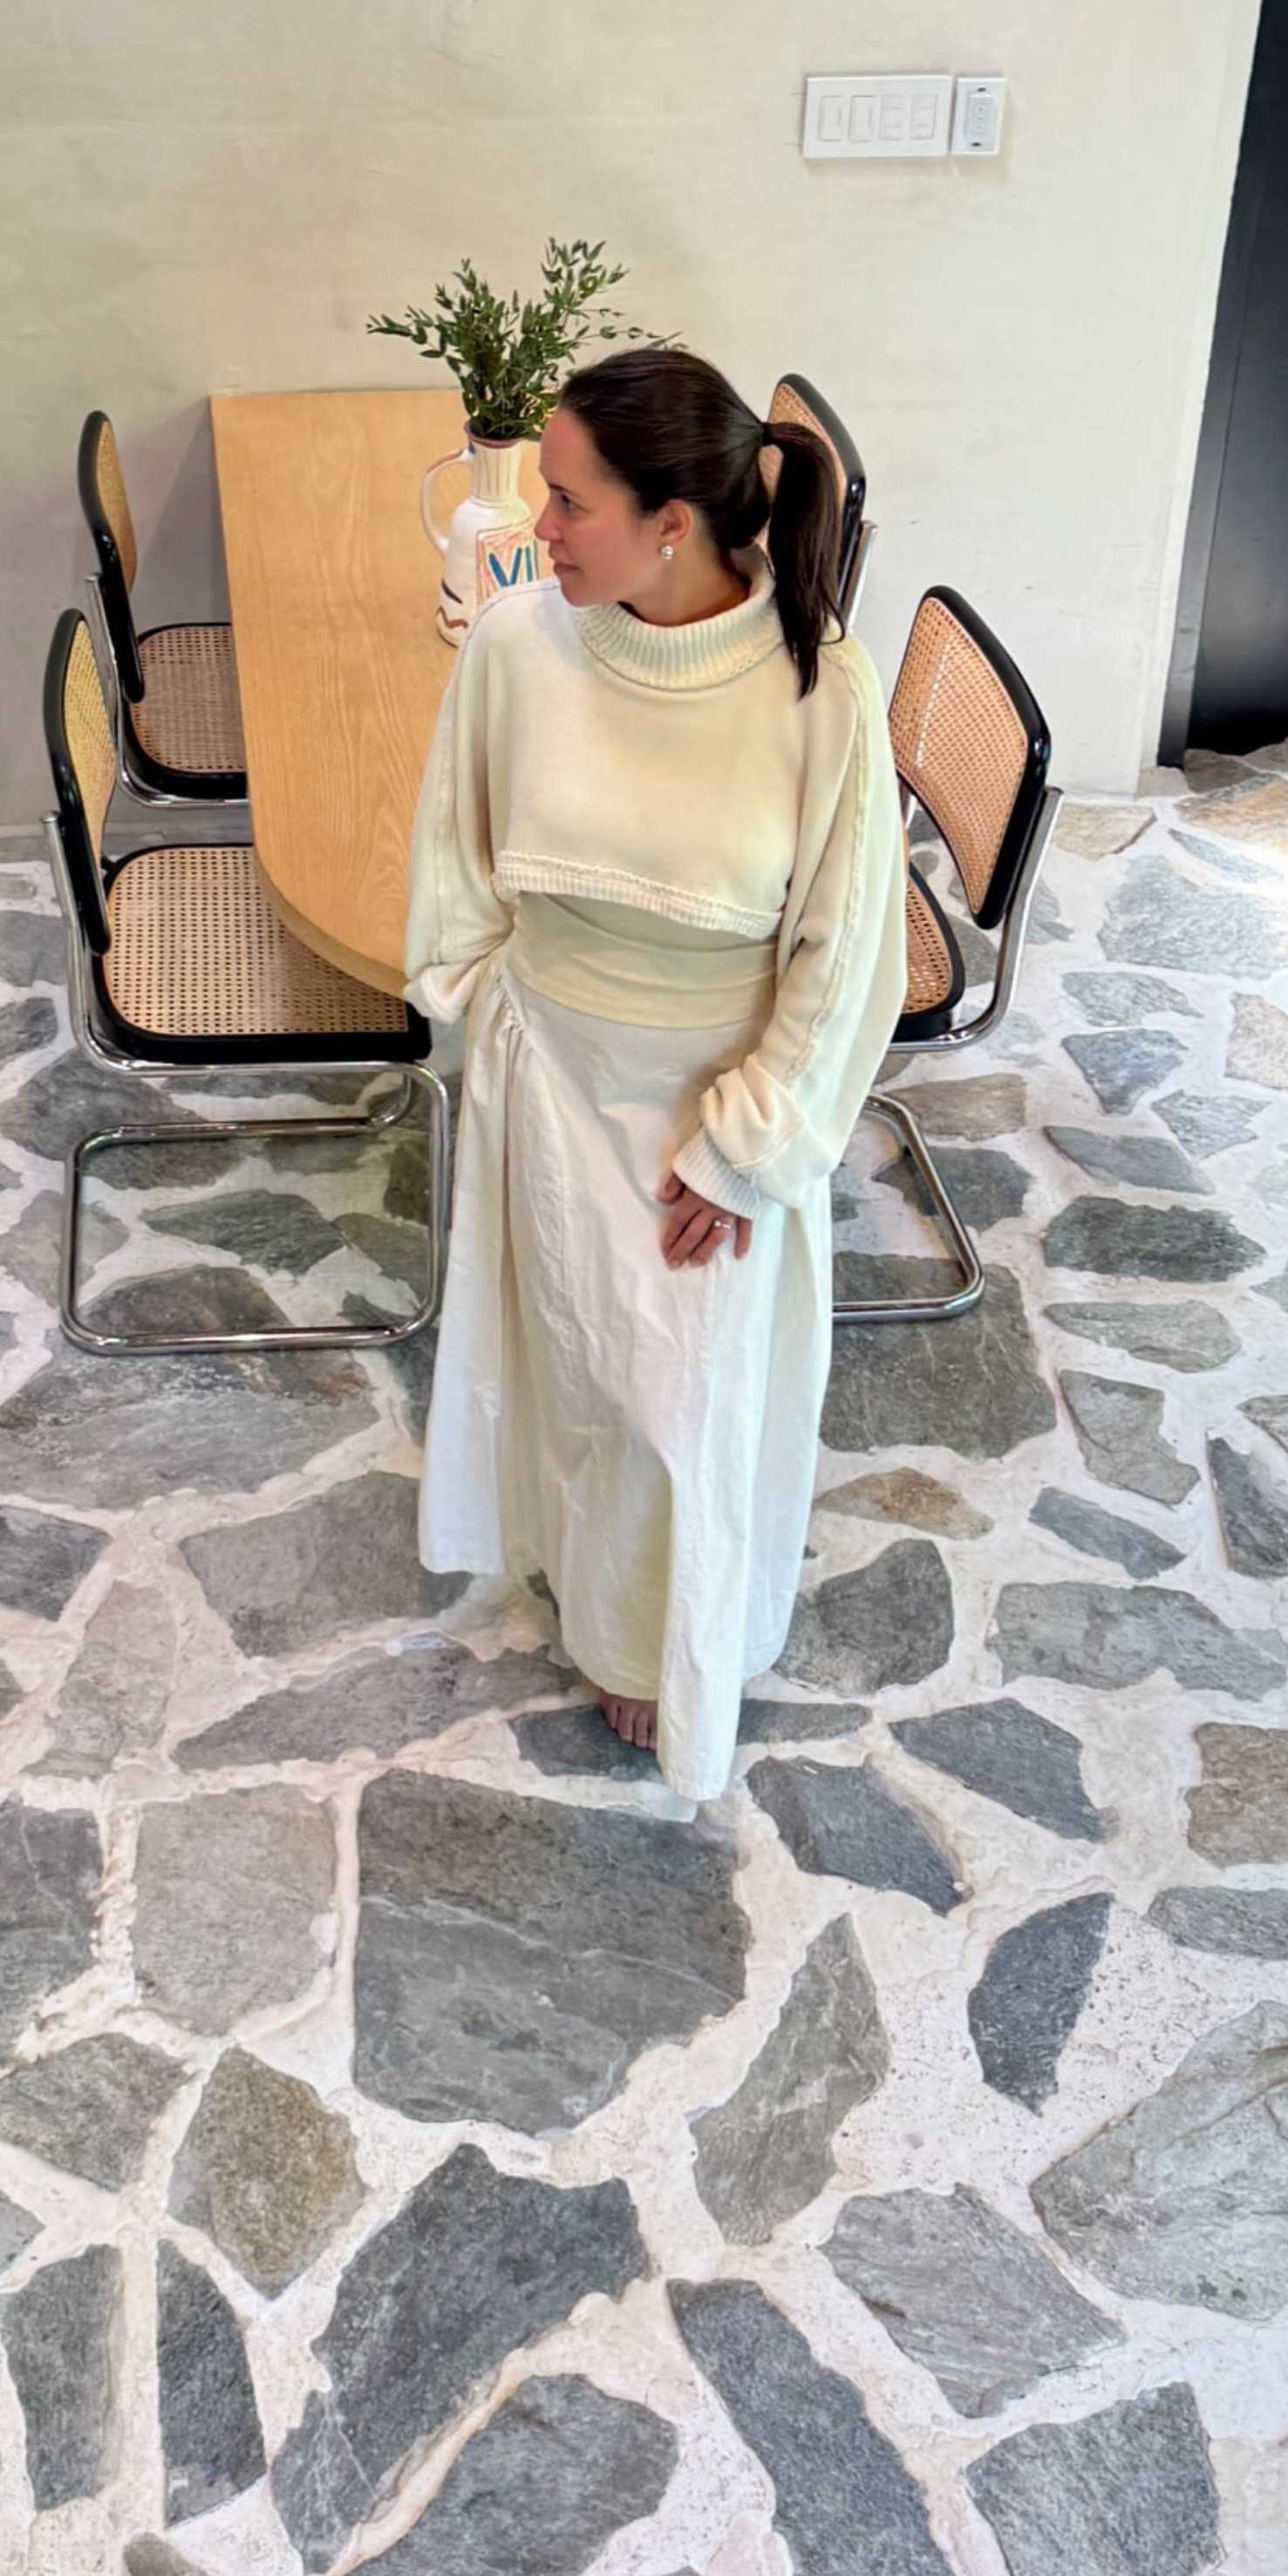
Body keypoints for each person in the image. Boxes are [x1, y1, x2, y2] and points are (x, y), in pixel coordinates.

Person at [405, 343, 907, 1796]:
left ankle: (681, 1640)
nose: (536, 528)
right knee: (577, 1372)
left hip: (717, 1098)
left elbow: (845, 947)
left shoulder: (820, 693)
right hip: (550, 1075)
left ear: (670, 522)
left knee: (685, 1406)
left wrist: (747, 1147)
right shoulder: (518, 648)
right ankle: (604, 1606)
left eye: (565, 502)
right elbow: (458, 860)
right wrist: (494, 1023)